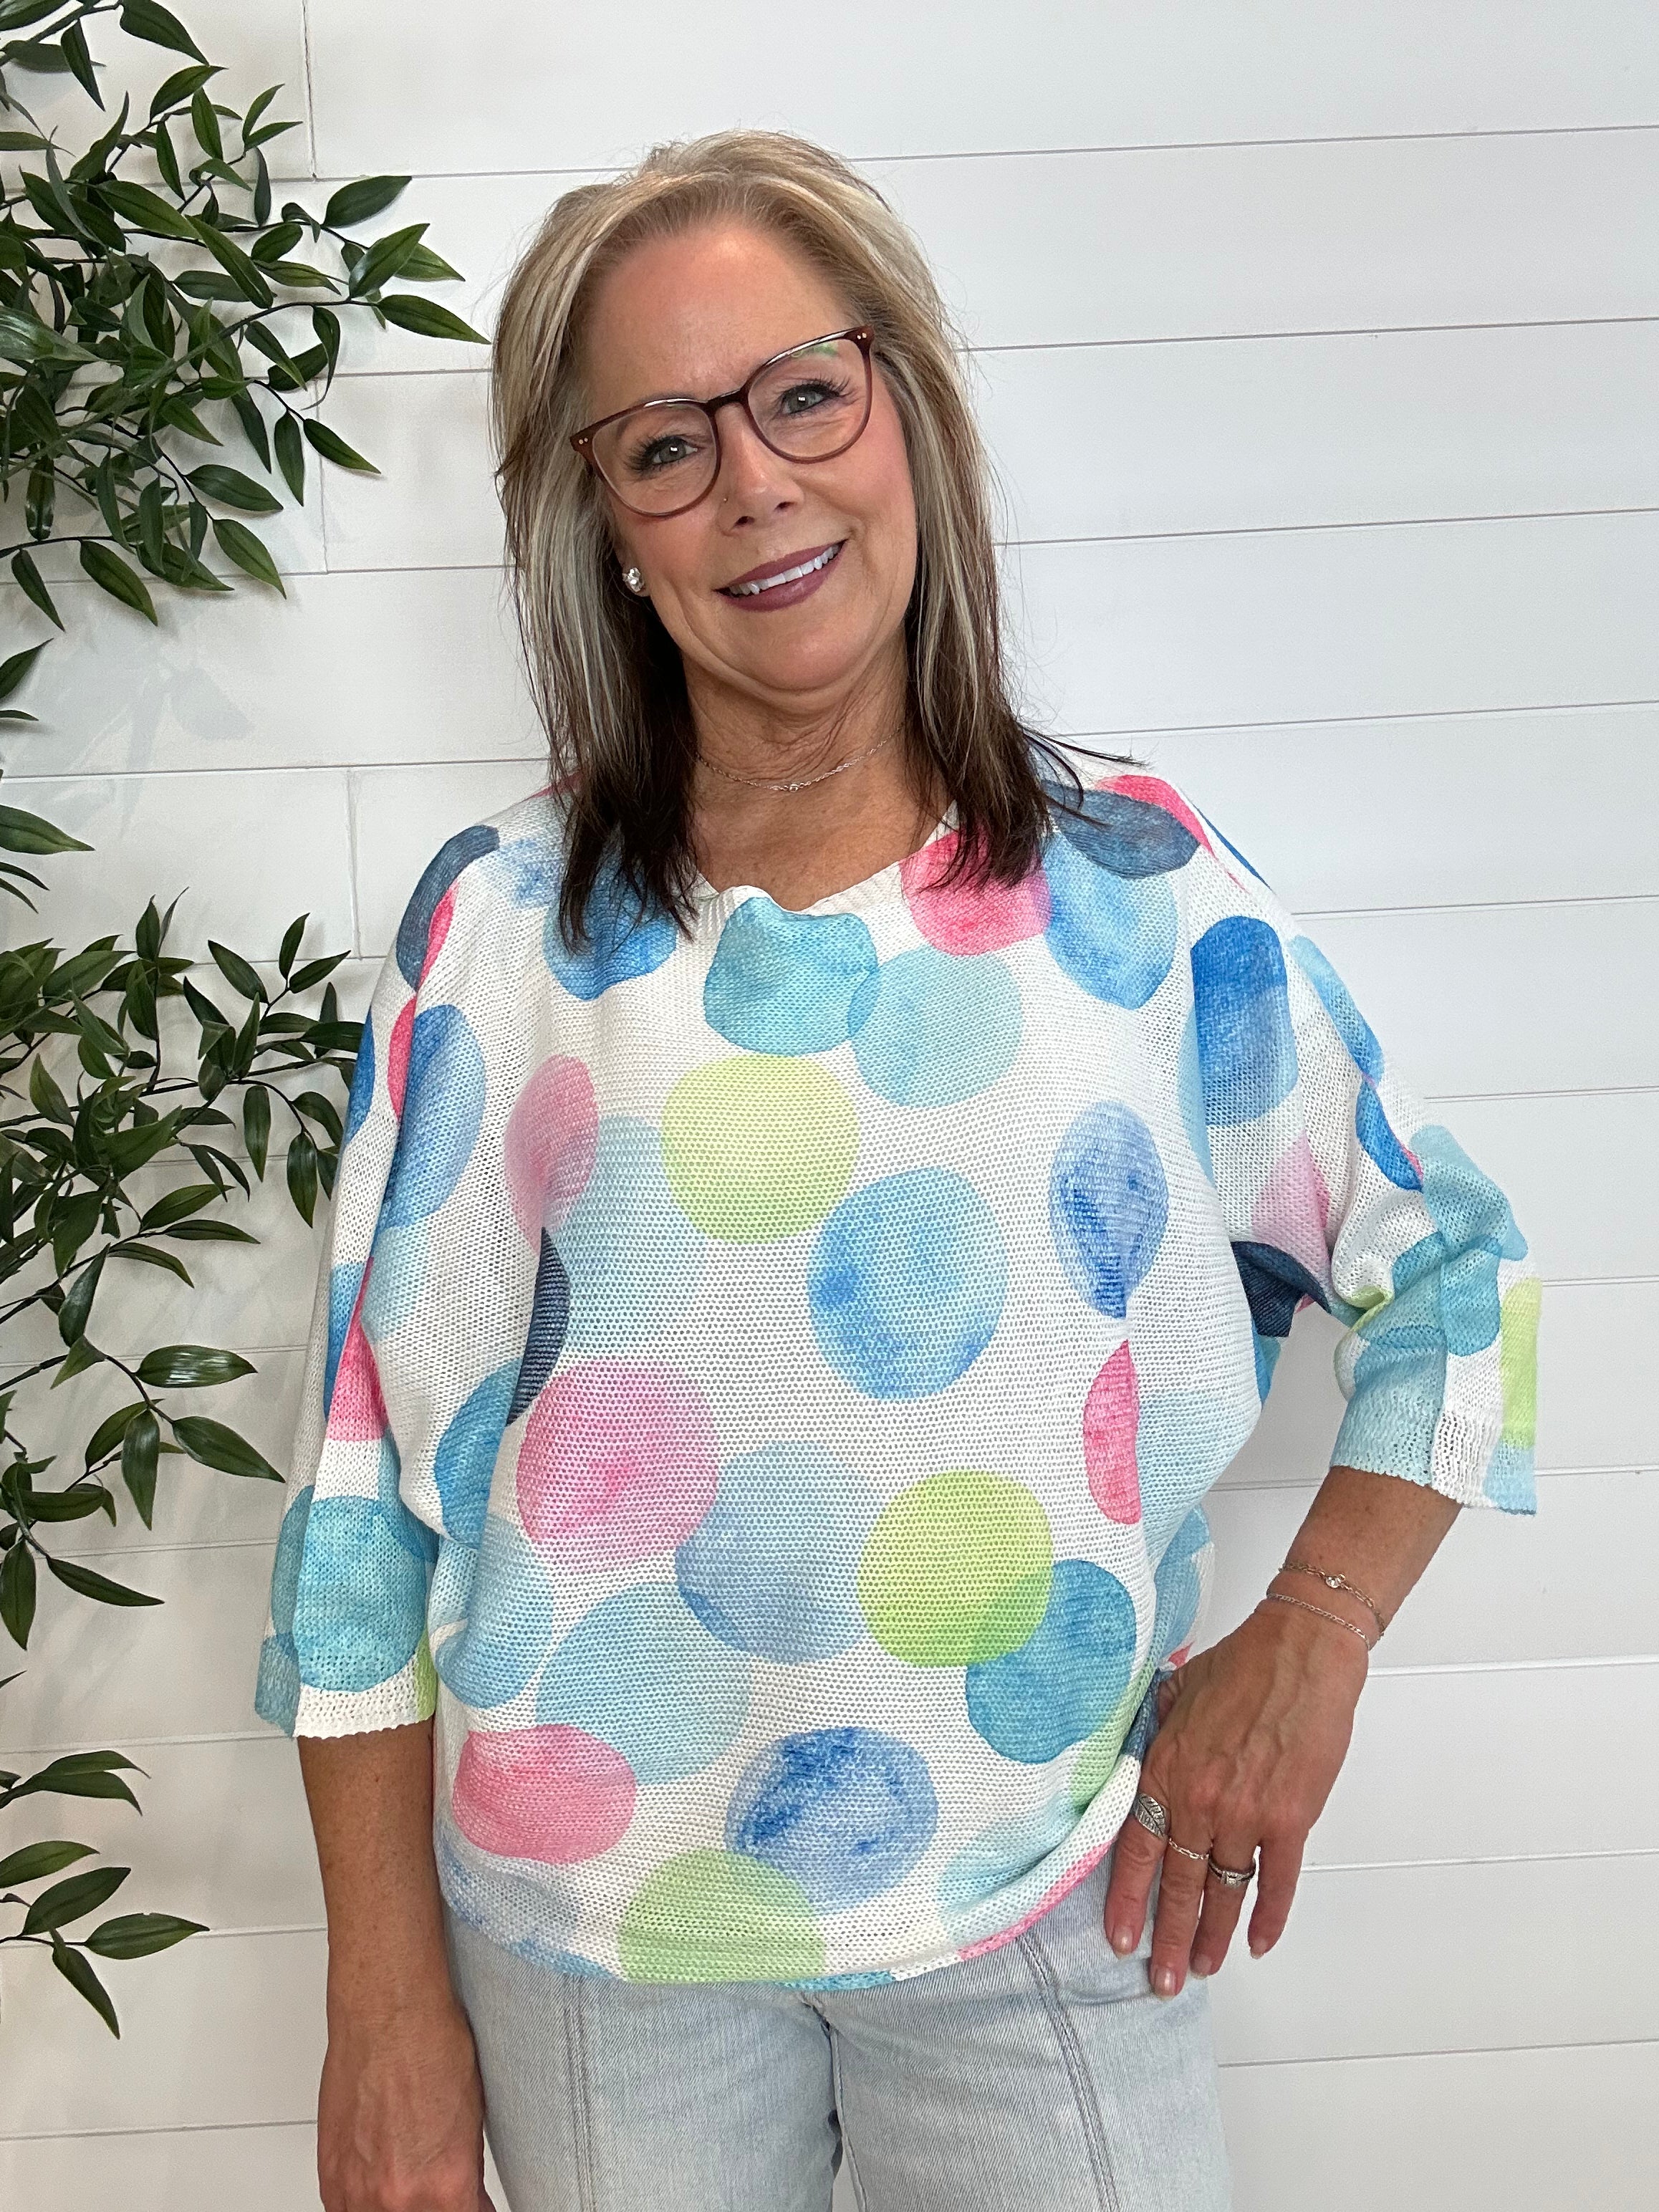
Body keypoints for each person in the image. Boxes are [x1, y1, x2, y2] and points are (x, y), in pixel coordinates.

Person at [254, 129, 1542, 2212]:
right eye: (664, 445)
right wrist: (380, 2005)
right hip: (599, 1953)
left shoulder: (1139, 895)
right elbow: (355, 1495)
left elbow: (1453, 1277)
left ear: (905, 411)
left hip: (1053, 1887)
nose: (754, 483)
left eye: (801, 394)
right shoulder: (496, 931)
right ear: (604, 525)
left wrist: (1310, 1639)